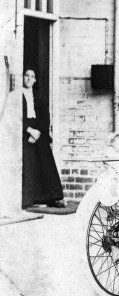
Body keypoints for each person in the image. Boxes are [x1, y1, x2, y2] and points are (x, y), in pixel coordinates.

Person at [22, 69, 65, 208]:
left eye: (32, 76)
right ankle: (31, 199)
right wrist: (29, 130)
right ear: (22, 78)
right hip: (24, 131)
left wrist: (37, 132)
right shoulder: (18, 96)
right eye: (26, 76)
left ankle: (53, 197)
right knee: (28, 160)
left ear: (35, 80)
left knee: (45, 157)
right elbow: (16, 117)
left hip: (39, 132)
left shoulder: (38, 97)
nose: (29, 79)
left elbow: (45, 118)